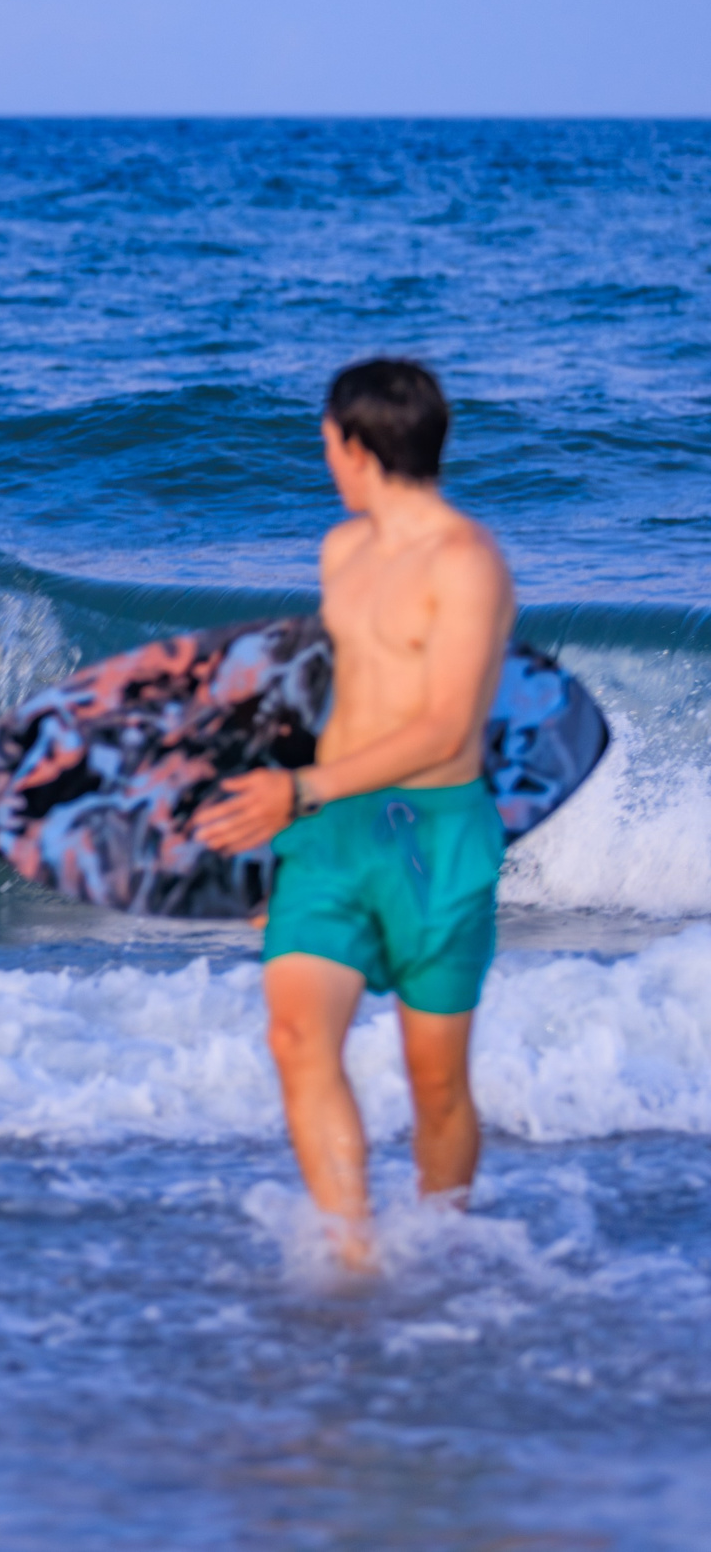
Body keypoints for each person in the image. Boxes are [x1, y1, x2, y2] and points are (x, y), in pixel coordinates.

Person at [193, 359, 515, 1272]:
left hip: (435, 837)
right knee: (296, 1033)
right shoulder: (344, 552)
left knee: (436, 1085)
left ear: (356, 443)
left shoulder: (468, 563)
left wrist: (296, 794)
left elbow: (445, 727)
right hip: (330, 828)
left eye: (328, 440)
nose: (325, 456)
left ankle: (443, 1246)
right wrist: (285, 833)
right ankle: (354, 1257)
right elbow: (345, 703)